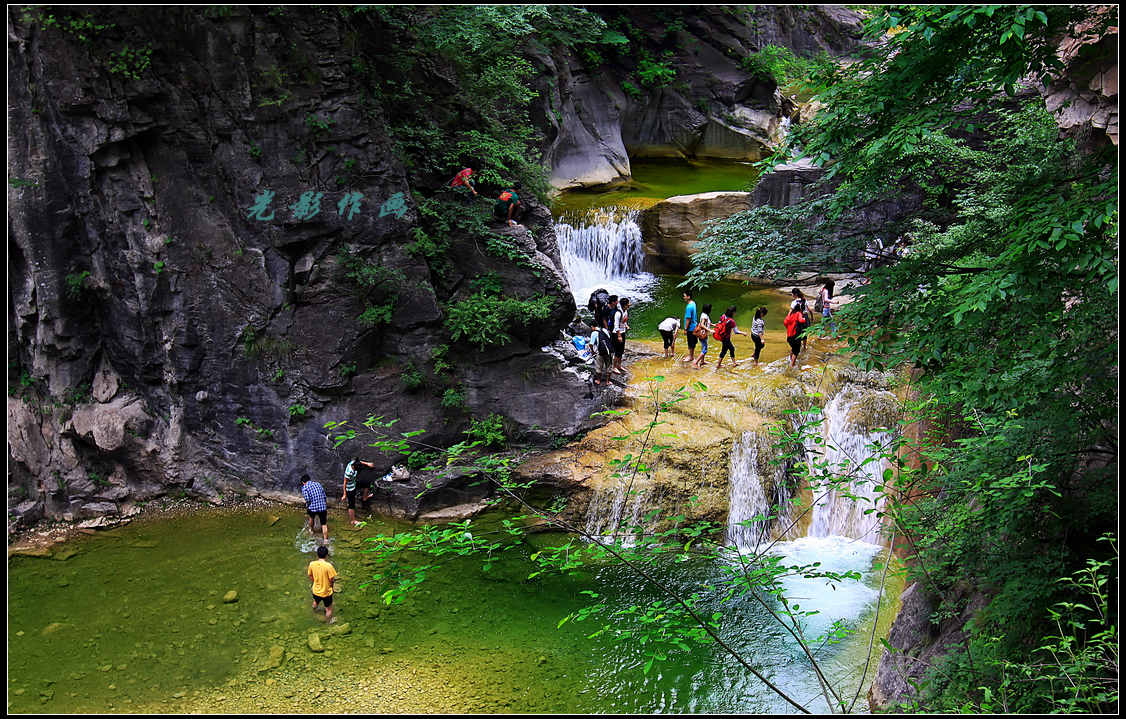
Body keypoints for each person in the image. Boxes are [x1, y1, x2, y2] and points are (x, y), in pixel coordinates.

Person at [307, 545, 338, 624]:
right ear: (326, 555)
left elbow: (310, 575)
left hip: (316, 590)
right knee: (328, 609)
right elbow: (332, 579)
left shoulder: (312, 564)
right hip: (326, 592)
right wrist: (331, 586)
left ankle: (313, 611)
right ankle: (328, 622)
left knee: (315, 602)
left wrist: (315, 582)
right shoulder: (329, 566)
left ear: (317, 555)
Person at [342, 457, 376, 525]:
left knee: (367, 483)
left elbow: (359, 462)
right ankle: (353, 521)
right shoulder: (349, 473)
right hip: (350, 488)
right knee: (351, 505)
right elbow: (345, 483)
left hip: (354, 483)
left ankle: (365, 497)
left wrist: (368, 464)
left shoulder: (353, 462)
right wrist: (344, 494)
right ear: (354, 467)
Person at [713, 305, 746, 370]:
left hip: (722, 336)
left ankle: (732, 363)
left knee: (728, 349)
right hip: (726, 338)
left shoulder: (723, 316)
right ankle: (719, 365)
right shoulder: (731, 321)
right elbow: (736, 331)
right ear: (733, 312)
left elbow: (719, 323)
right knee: (727, 350)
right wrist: (743, 333)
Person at [611, 297, 630, 374]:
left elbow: (624, 320)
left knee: (621, 351)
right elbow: (616, 326)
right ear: (624, 305)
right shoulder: (618, 313)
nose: (629, 305)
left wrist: (626, 325)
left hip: (622, 332)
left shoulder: (625, 311)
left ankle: (619, 365)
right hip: (616, 333)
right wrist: (619, 336)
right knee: (617, 351)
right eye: (628, 304)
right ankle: (614, 367)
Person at [692, 303, 713, 369]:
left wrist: (714, 325)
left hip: (704, 334)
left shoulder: (704, 314)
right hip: (703, 334)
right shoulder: (704, 316)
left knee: (704, 347)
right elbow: (702, 325)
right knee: (705, 350)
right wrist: (710, 330)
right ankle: (695, 363)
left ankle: (702, 361)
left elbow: (707, 323)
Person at [682, 291, 699, 364]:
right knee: (693, 342)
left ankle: (691, 356)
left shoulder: (689, 306)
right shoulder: (693, 303)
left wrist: (685, 329)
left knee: (690, 342)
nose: (684, 297)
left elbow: (688, 318)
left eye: (685, 296)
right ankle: (691, 355)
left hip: (691, 328)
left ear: (688, 297)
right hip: (694, 326)